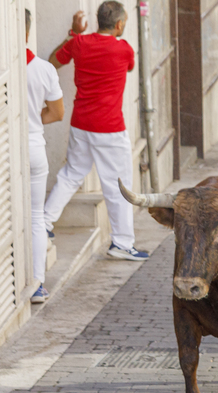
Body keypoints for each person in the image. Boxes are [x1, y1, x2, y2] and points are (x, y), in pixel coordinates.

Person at [44, 2, 148, 262]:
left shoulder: (79, 43)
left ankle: (43, 223)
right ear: (120, 24)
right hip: (110, 128)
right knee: (119, 184)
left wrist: (74, 34)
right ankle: (122, 243)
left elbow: (52, 61)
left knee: (71, 174)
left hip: (81, 124)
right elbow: (130, 67)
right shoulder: (124, 49)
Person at [25, 9, 65, 303]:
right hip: (35, 148)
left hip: (10, 152)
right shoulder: (43, 69)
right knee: (37, 218)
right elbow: (57, 113)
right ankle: (38, 284)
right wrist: (31, 119)